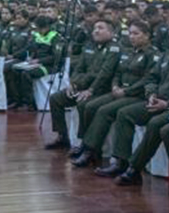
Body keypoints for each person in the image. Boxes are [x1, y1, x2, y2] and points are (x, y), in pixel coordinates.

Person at [99, 20, 169, 181]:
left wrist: (168, 104)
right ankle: (121, 161)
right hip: (156, 101)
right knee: (125, 113)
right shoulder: (168, 53)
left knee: (155, 124)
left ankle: (135, 169)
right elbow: (152, 77)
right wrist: (151, 94)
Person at [72, 20, 159, 168]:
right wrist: (115, 85)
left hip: (135, 95)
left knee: (104, 110)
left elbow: (147, 79)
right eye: (130, 33)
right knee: (90, 105)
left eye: (136, 34)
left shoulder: (153, 55)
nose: (132, 37)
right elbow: (118, 72)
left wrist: (126, 91)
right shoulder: (128, 52)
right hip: (119, 91)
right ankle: (91, 148)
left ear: (147, 36)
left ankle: (91, 150)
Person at [43, 19, 120, 151]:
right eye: (95, 28)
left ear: (111, 32)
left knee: (83, 104)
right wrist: (73, 84)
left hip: (101, 89)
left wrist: (90, 90)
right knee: (56, 99)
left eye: (101, 28)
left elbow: (105, 74)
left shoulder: (114, 49)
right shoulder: (89, 46)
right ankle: (62, 137)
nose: (96, 31)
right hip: (82, 86)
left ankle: (84, 144)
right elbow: (78, 68)